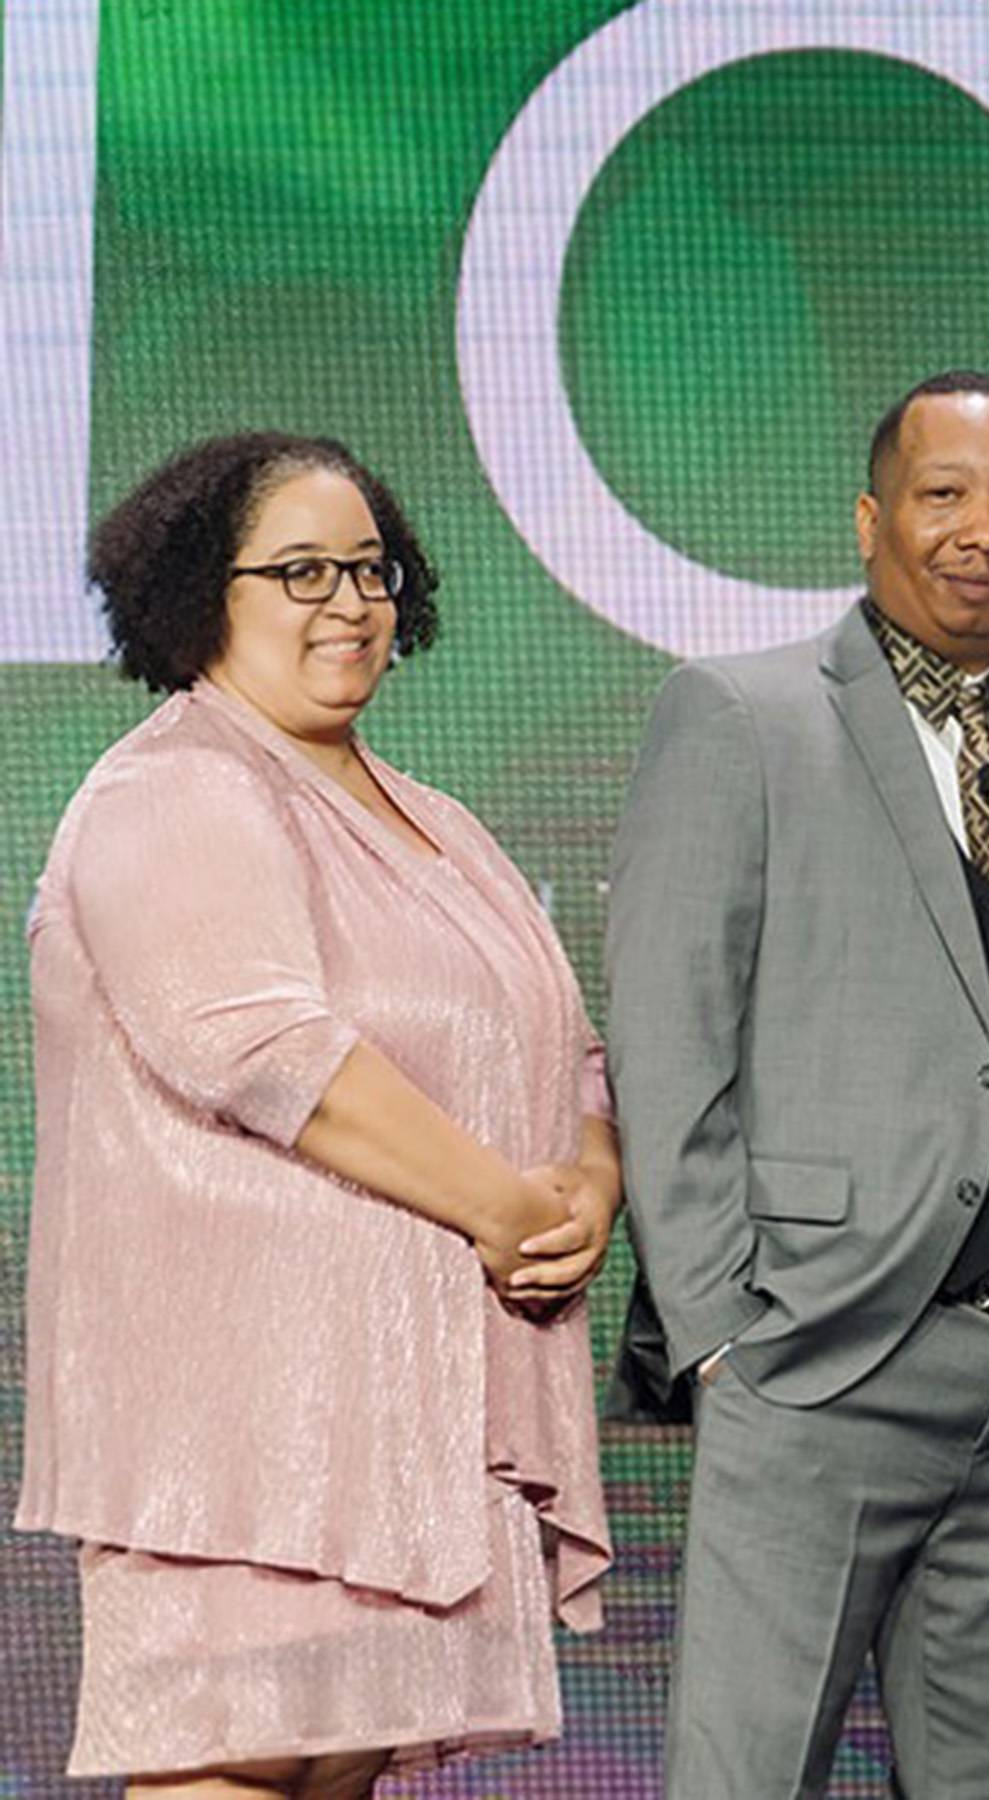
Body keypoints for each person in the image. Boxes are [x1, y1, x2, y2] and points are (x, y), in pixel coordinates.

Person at [18, 434, 613, 1796]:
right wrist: (501, 1206)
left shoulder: (443, 825)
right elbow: (263, 1048)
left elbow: (571, 1053)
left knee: (333, 1775)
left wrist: (589, 1184)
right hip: (245, 1440)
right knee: (232, 1769)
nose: (348, 602)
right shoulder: (175, 788)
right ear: (195, 598)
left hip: (414, 1428)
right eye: (298, 571)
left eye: (371, 569)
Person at [606, 370, 989, 1797]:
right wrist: (722, 1328)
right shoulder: (742, 717)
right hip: (822, 1354)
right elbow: (667, 1037)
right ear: (871, 519)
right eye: (944, 494)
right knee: (748, 1774)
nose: (983, 529)